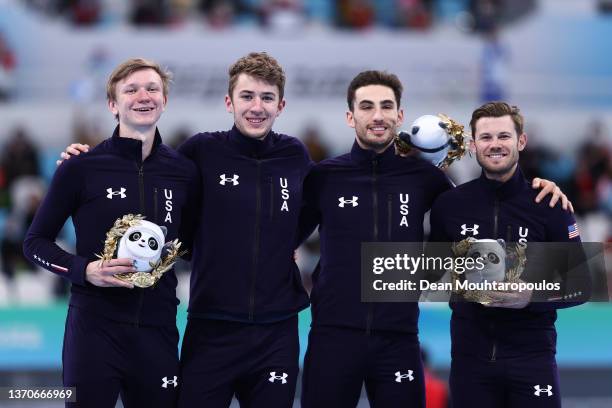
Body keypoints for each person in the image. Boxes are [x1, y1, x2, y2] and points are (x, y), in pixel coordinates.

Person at [296, 72, 569, 408]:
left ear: (400, 116)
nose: (377, 115)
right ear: (350, 116)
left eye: (386, 106)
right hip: (332, 336)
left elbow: (483, 208)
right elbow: (282, 238)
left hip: (398, 339)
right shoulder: (323, 177)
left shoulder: (426, 179)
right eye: (366, 106)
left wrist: (541, 188)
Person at [59, 52, 311, 408]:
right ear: (229, 101)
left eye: (267, 98)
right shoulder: (200, 152)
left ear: (281, 105)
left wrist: (286, 242)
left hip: (278, 330)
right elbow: (146, 175)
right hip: (211, 326)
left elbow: (319, 204)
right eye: (247, 96)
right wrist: (82, 159)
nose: (257, 107)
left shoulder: (295, 155)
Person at [24, 58, 199, 408]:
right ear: (113, 105)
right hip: (93, 329)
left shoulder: (184, 172)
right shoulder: (80, 167)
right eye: (130, 90)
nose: (142, 96)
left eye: (152, 89)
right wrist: (83, 270)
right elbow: (34, 243)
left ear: (164, 101)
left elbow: (195, 246)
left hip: (158, 329)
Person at [429, 101, 586, 408]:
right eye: (486, 138)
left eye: (504, 136)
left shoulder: (549, 204)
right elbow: (435, 276)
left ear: (521, 141)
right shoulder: (450, 205)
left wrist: (532, 294)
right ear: (473, 145)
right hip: (469, 361)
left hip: (532, 359)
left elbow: (580, 284)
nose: (495, 145)